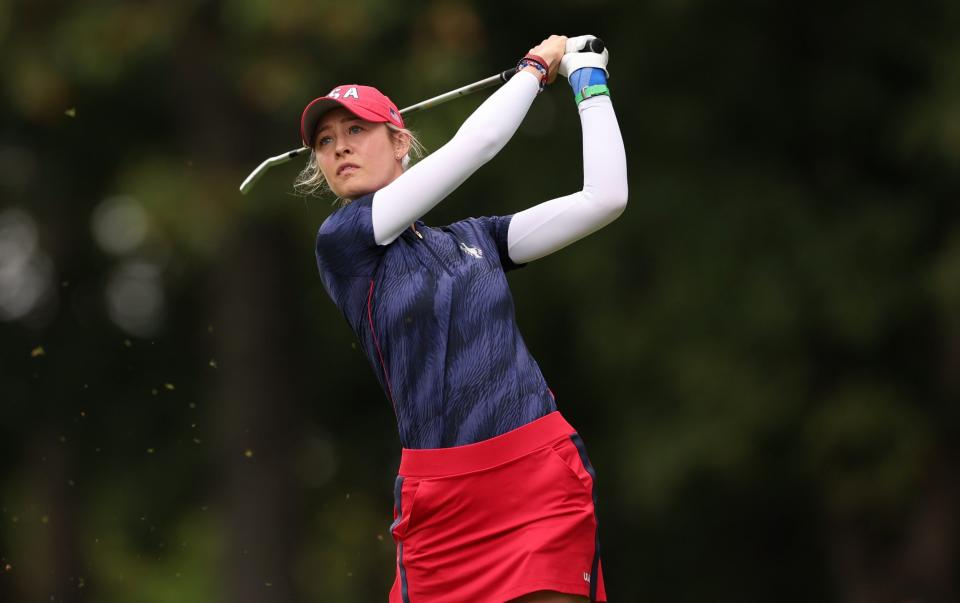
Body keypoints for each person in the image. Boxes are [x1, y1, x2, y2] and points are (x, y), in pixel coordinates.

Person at [299, 34, 626, 603]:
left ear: (399, 142)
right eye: (325, 142)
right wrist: (532, 68)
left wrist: (587, 81)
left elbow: (604, 199)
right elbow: (477, 145)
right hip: (439, 502)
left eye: (356, 131)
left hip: (537, 477)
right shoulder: (343, 243)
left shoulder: (478, 240)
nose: (339, 148)